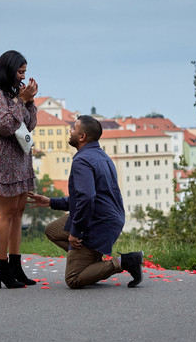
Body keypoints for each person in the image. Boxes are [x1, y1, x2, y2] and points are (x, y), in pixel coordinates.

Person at [28, 115, 144, 289]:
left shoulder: (82, 160)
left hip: (98, 222)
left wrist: (76, 232)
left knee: (73, 279)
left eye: (73, 128)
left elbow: (87, 198)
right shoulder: (101, 156)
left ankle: (124, 261)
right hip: (107, 217)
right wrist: (51, 202)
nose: (70, 131)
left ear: (82, 137)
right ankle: (92, 263)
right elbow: (83, 198)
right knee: (52, 230)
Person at [0, 50, 39, 289]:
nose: (22, 77)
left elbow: (30, 124)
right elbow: (5, 125)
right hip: (4, 154)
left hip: (21, 154)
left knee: (18, 212)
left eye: (24, 72)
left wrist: (31, 101)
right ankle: (2, 268)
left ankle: (16, 266)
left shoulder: (14, 93)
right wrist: (21, 102)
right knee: (6, 212)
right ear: (8, 69)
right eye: (20, 72)